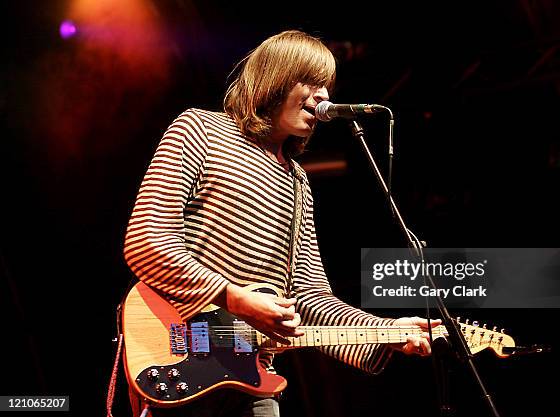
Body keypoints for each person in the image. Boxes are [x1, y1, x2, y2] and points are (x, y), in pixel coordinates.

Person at [123, 30, 440, 417]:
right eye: (311, 81)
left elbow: (311, 300)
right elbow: (146, 240)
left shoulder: (298, 181)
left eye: (327, 85)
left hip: (252, 378)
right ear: (275, 78)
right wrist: (235, 297)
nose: (323, 95)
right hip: (177, 354)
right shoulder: (199, 130)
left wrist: (387, 332)